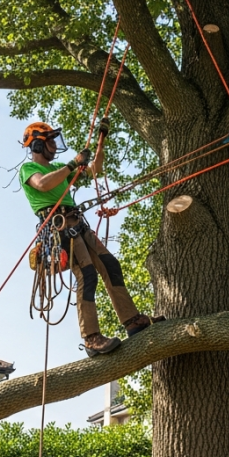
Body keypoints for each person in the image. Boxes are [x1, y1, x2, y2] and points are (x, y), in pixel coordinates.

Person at [19, 120, 157, 356]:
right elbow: (43, 185)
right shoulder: (30, 170)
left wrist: (101, 139)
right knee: (87, 274)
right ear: (38, 145)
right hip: (58, 227)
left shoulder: (62, 168)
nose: (54, 145)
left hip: (78, 223)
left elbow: (96, 169)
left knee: (110, 265)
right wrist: (73, 164)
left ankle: (132, 320)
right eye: (50, 140)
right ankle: (91, 337)